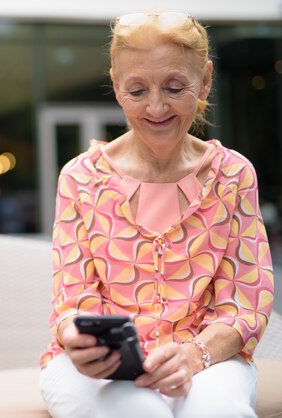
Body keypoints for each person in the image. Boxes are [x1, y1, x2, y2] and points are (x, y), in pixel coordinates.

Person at [39, 11, 274, 418]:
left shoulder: (233, 175)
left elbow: (245, 304)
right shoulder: (80, 177)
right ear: (115, 85)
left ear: (205, 79)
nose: (156, 106)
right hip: (101, 368)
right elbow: (73, 298)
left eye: (174, 86)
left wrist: (194, 354)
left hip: (207, 360)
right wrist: (76, 334)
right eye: (136, 90)